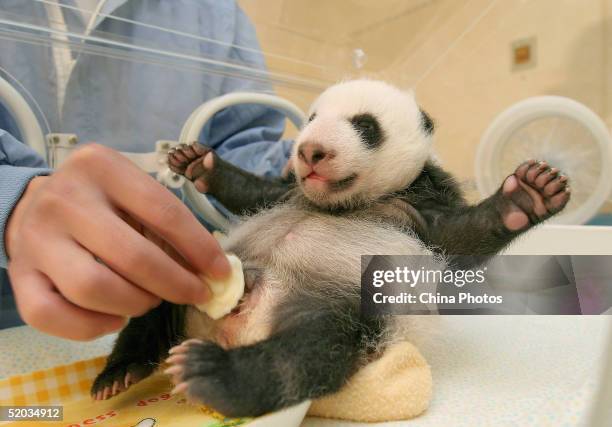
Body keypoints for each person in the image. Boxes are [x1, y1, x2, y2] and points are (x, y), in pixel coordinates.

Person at [0, 0, 293, 340]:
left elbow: (245, 154)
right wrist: (13, 202)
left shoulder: (213, 11)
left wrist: (299, 172)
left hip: (175, 323)